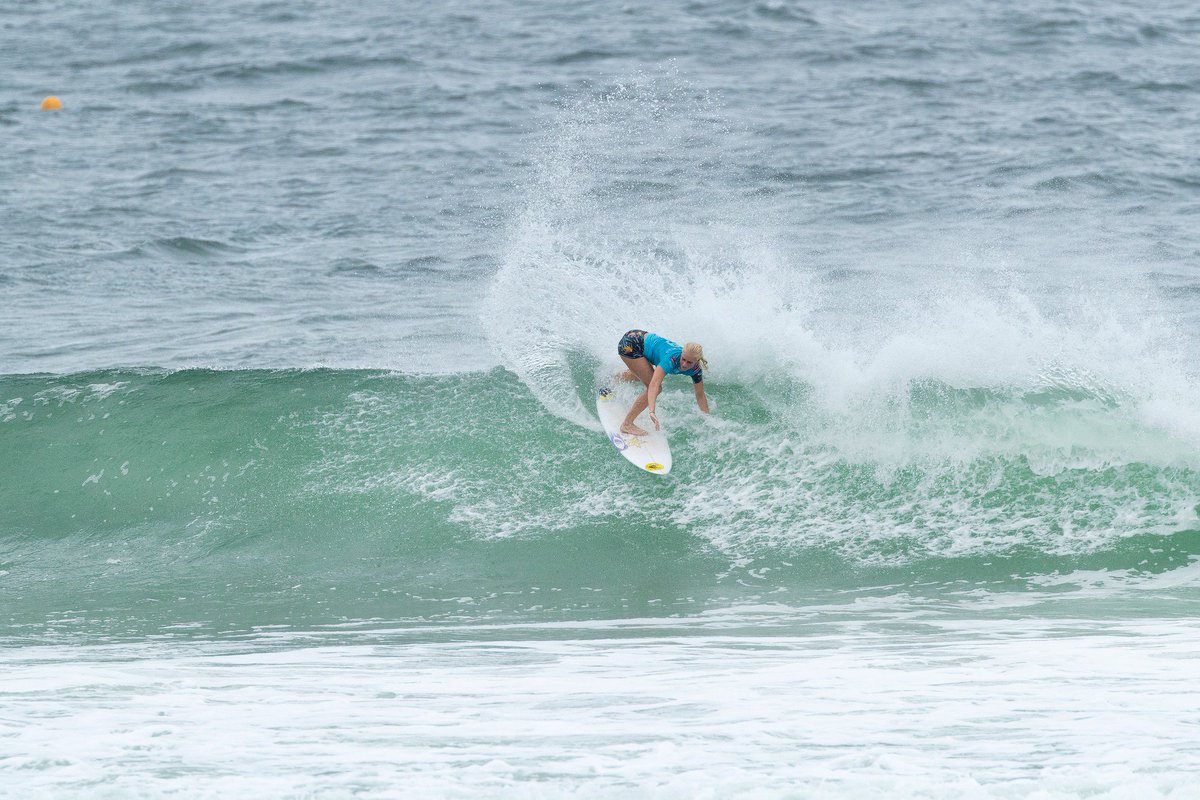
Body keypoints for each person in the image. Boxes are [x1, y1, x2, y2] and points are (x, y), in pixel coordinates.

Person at [615, 329, 709, 436]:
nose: (684, 364)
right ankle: (627, 424)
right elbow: (654, 385)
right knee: (656, 386)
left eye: (689, 362)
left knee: (641, 374)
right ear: (682, 353)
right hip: (631, 344)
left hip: (641, 340)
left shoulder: (696, 370)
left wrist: (707, 419)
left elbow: (700, 394)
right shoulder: (671, 359)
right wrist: (652, 411)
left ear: (697, 361)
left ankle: (613, 379)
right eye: (683, 359)